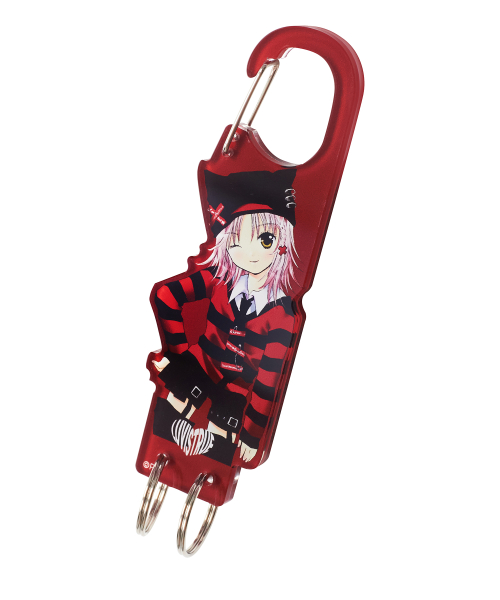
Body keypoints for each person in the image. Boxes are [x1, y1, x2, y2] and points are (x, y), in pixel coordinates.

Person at [151, 169, 298, 466]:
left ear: (282, 242)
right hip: (200, 366)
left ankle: (207, 464)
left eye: (265, 240)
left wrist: (252, 434)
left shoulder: (282, 316)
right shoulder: (218, 280)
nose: (250, 253)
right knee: (169, 420)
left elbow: (268, 381)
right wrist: (179, 357)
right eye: (235, 241)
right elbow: (166, 296)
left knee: (220, 440)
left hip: (238, 391)